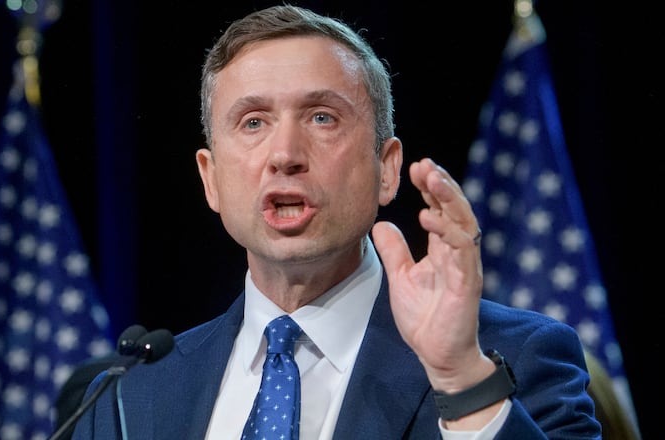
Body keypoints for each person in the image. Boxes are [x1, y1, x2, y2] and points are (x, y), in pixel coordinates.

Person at [71, 5, 601, 439]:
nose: (285, 154)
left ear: (386, 169)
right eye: (253, 122)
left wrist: (460, 378)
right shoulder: (129, 397)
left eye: (322, 117)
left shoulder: (514, 359)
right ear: (210, 179)